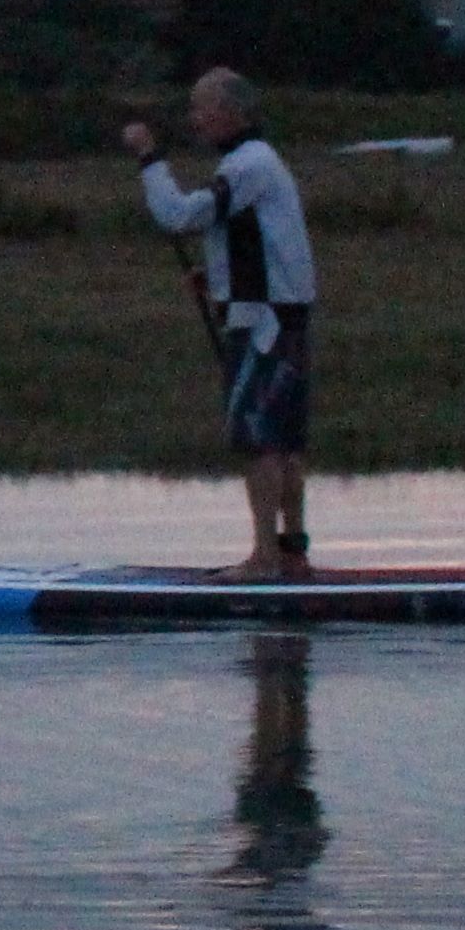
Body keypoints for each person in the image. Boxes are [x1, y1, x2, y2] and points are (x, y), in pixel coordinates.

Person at [124, 64, 315, 580]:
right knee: (284, 440)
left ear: (233, 112)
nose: (194, 117)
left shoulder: (248, 164)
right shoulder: (258, 162)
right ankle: (292, 552)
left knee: (259, 439)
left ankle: (265, 558)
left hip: (263, 326)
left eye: (201, 107)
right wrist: (218, 282)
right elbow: (265, 243)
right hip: (279, 315)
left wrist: (149, 158)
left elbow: (179, 215)